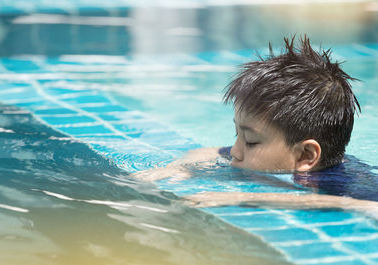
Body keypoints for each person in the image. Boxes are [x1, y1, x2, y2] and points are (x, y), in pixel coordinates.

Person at [134, 36, 378, 219]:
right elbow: (211, 152)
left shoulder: (341, 183)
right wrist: (179, 168)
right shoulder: (261, 151)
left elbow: (368, 207)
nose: (235, 152)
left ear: (305, 155)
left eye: (250, 141)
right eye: (237, 134)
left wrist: (244, 197)